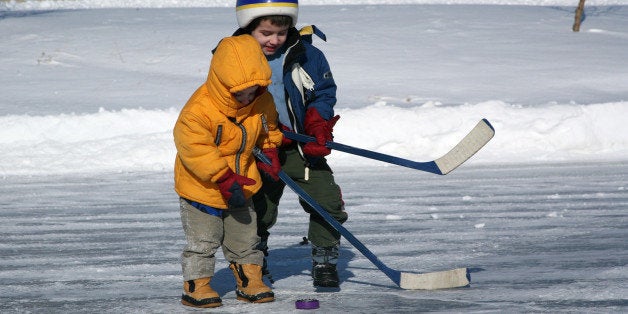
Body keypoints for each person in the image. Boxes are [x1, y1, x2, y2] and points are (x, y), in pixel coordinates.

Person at [233, 0, 347, 288]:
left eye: (281, 33)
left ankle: (324, 259)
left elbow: (323, 91)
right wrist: (257, 138)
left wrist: (317, 122)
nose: (274, 40)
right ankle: (255, 262)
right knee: (258, 209)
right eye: (266, 33)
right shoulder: (232, 57)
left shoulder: (308, 54)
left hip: (300, 146)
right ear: (249, 27)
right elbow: (225, 104)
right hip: (258, 150)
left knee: (327, 201)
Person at [173, 34, 283, 308]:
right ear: (223, 85)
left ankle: (250, 281)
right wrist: (222, 176)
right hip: (203, 188)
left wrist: (270, 150)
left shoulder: (261, 100)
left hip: (243, 185)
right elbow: (195, 149)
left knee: (246, 237)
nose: (248, 98)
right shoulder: (199, 110)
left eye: (253, 91)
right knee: (203, 241)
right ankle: (197, 286)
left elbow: (268, 126)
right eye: (240, 93)